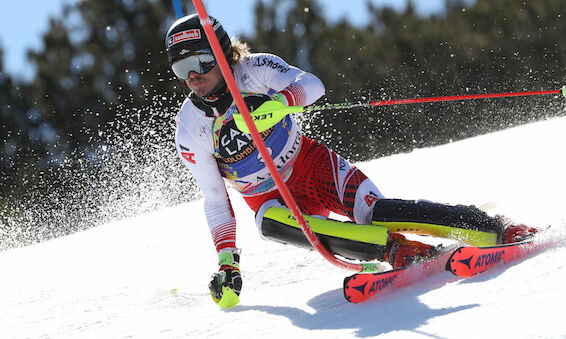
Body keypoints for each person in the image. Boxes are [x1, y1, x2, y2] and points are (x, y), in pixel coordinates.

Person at [165, 14, 538, 303]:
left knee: (376, 212)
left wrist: (280, 103)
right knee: (270, 224)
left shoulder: (255, 70)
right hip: (271, 197)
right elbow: (215, 199)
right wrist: (227, 262)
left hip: (311, 165)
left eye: (200, 62)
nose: (194, 77)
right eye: (182, 70)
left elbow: (313, 85)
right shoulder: (190, 128)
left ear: (222, 52)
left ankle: (492, 227)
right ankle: (396, 250)